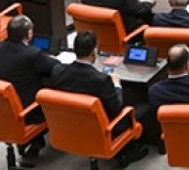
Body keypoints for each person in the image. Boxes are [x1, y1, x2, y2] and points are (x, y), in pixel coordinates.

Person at [51, 31, 147, 164]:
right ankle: (126, 151)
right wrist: (116, 85)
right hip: (101, 130)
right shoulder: (101, 81)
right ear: (94, 52)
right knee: (143, 106)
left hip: (70, 126)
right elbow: (116, 110)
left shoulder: (58, 72)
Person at [0, 15, 61, 150]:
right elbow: (56, 67)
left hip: (2, 109)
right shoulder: (32, 54)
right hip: (28, 112)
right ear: (29, 34)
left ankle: (36, 141)